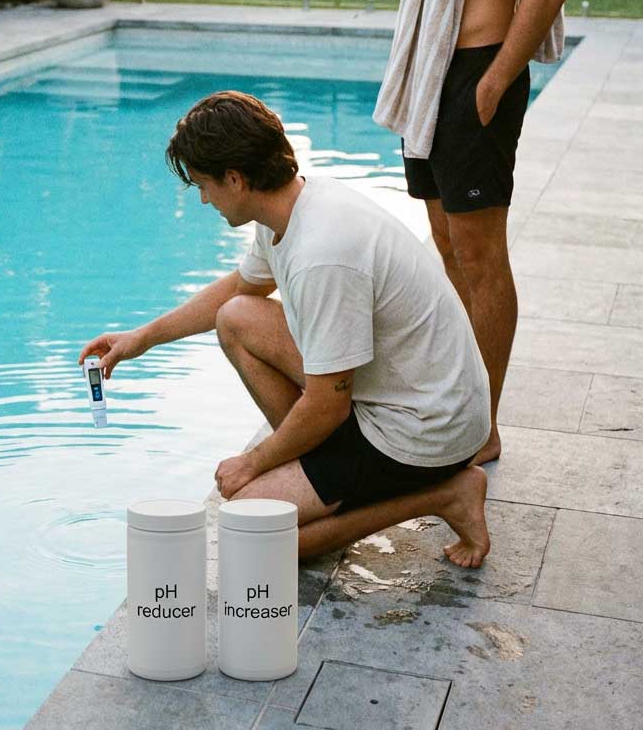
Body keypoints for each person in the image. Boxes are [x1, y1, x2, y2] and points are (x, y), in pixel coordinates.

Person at [79, 91, 492, 568]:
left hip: (424, 427)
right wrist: (141, 338)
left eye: (203, 186)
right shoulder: (289, 207)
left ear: (234, 179)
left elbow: (328, 403)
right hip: (403, 393)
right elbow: (239, 287)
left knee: (253, 533)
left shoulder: (323, 253)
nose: (203, 199)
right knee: (237, 316)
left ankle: (446, 495)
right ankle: (323, 475)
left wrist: (253, 463)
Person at [374, 0, 569, 466]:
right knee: (448, 245)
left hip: (477, 76)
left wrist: (491, 84)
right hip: (432, 78)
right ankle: (459, 399)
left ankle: (483, 422)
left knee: (482, 256)